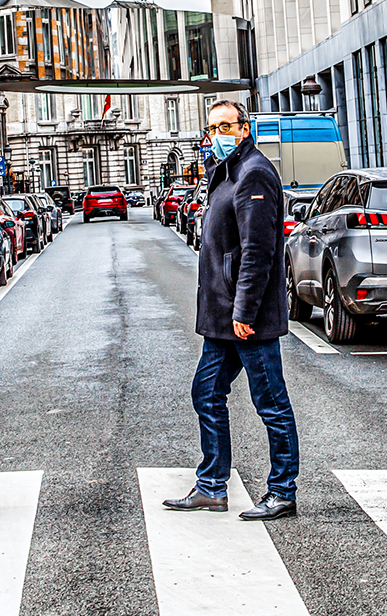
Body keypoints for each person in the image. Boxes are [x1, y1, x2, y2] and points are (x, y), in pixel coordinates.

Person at [164, 100, 299, 521]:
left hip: (246, 319)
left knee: (271, 402)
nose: (217, 134)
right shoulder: (228, 172)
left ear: (243, 129)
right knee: (206, 393)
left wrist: (244, 312)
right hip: (224, 318)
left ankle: (282, 491)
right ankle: (211, 487)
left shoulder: (254, 173)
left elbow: (257, 253)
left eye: (226, 126)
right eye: (212, 127)